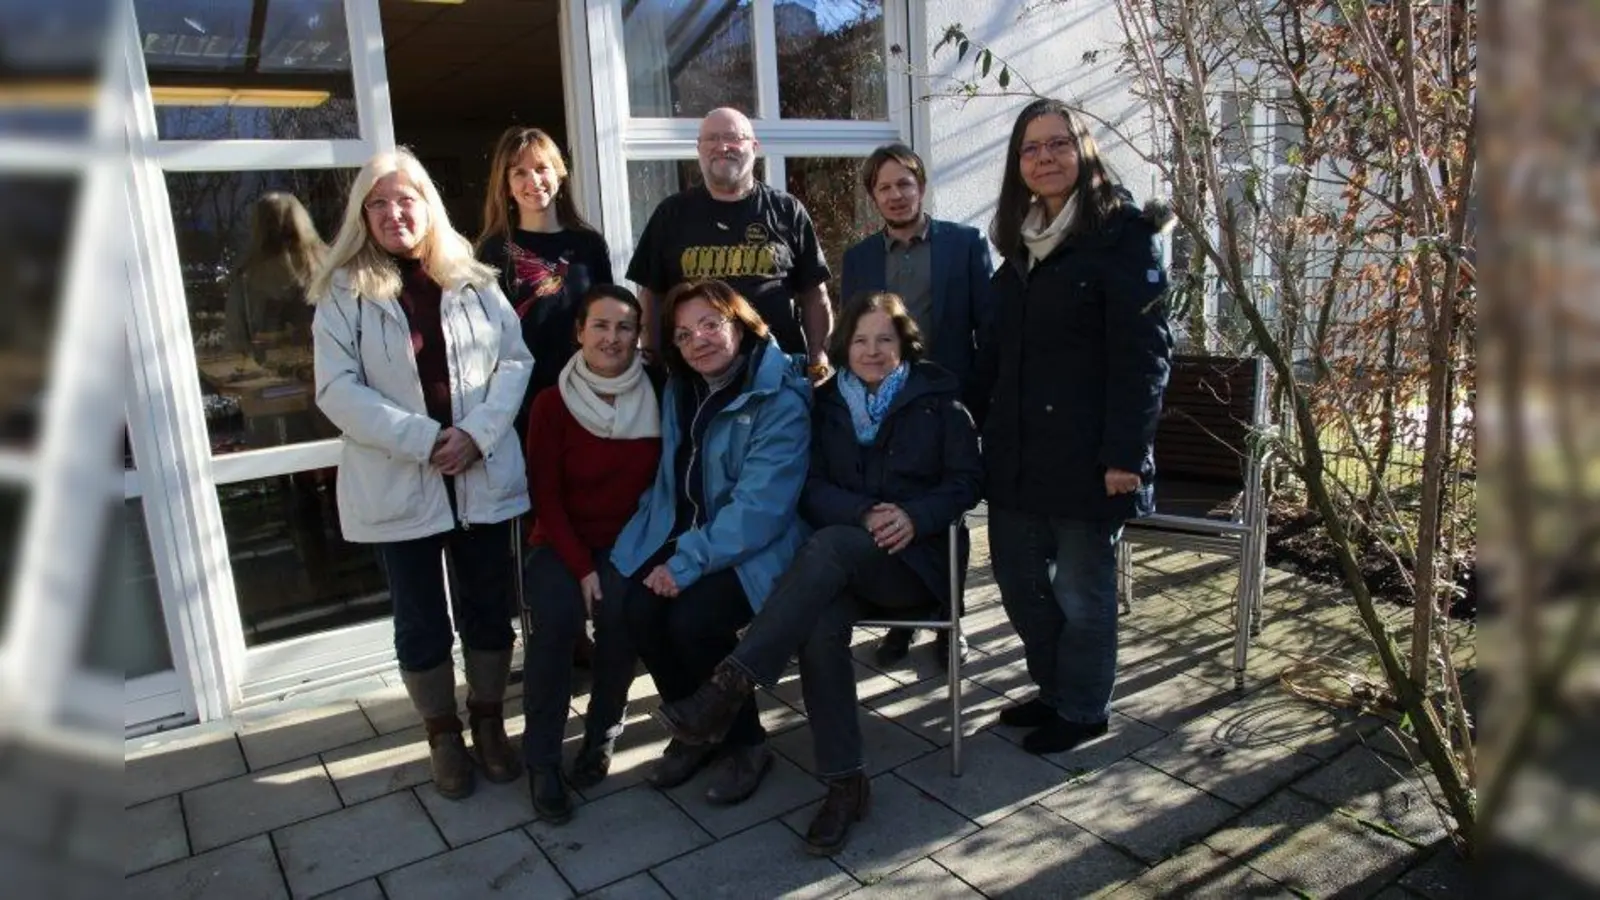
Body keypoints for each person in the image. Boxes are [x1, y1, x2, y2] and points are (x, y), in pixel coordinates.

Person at [651, 291, 980, 855]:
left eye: (885, 339)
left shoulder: (940, 400)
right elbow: (810, 487)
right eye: (860, 340)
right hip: (843, 569)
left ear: (904, 343)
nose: (872, 351)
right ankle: (845, 784)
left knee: (826, 550)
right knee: (820, 623)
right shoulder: (826, 406)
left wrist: (913, 515)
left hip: (915, 563)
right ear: (843, 346)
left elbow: (967, 481)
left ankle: (728, 686)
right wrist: (858, 512)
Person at [311, 149, 533, 799]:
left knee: (490, 611)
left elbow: (513, 365)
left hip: (479, 472)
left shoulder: (473, 279)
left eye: (404, 199)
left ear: (427, 204)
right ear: (362, 216)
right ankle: (443, 734)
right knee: (421, 620)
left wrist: (476, 435)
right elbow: (337, 390)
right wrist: (427, 439)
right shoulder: (344, 291)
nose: (393, 213)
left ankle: (489, 721)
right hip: (400, 478)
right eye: (377, 203)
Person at [971, 98, 1174, 756]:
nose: (1045, 158)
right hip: (1020, 456)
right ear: (1018, 165)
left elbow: (1145, 356)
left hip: (1091, 459)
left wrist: (1125, 454)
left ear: (1082, 152)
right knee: (1022, 585)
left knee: (1082, 595)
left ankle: (1083, 708)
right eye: (1031, 148)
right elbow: (1001, 356)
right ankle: (1054, 687)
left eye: (1058, 144)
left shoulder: (1122, 236)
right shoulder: (1021, 244)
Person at [607, 279, 811, 806]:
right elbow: (674, 478)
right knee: (636, 610)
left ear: (739, 325)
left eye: (710, 324)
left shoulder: (778, 395)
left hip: (759, 545)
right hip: (693, 533)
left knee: (693, 621)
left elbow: (760, 510)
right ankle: (696, 731)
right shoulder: (683, 388)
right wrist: (648, 537)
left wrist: (686, 562)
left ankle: (747, 745)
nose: (698, 340)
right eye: (682, 334)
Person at [840, 143, 995, 667]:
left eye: (904, 183)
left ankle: (950, 622)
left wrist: (975, 403)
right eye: (884, 187)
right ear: (873, 197)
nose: (896, 194)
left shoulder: (963, 244)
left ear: (921, 187)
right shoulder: (859, 258)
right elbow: (853, 336)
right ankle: (901, 623)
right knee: (892, 507)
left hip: (946, 405)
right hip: (885, 407)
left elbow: (987, 330)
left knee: (947, 513)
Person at [520, 284, 661, 823]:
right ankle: (542, 760)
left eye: (624, 327)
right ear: (579, 331)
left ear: (637, 336)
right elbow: (545, 497)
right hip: (561, 541)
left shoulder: (657, 392)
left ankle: (602, 731)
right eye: (600, 325)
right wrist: (581, 567)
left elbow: (663, 490)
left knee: (622, 611)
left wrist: (620, 561)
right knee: (556, 620)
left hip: (629, 542)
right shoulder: (551, 403)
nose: (612, 337)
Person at [627, 108, 833, 379]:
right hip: (694, 375)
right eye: (711, 139)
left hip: (778, 373)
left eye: (733, 138)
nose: (722, 147)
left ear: (754, 147)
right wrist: (651, 358)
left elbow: (814, 294)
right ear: (699, 148)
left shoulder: (787, 210)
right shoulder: (671, 214)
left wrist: (818, 355)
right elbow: (651, 296)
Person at [476, 126, 614, 434]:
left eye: (541, 169)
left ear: (560, 175)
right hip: (520, 401)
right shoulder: (493, 250)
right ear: (506, 186)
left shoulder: (588, 245)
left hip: (587, 392)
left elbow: (609, 316)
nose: (533, 181)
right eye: (519, 173)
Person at [225, 192, 325, 361]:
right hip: (277, 375)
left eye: (287, 230)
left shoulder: (331, 270)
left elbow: (236, 342)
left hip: (327, 373)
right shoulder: (244, 281)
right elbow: (237, 342)